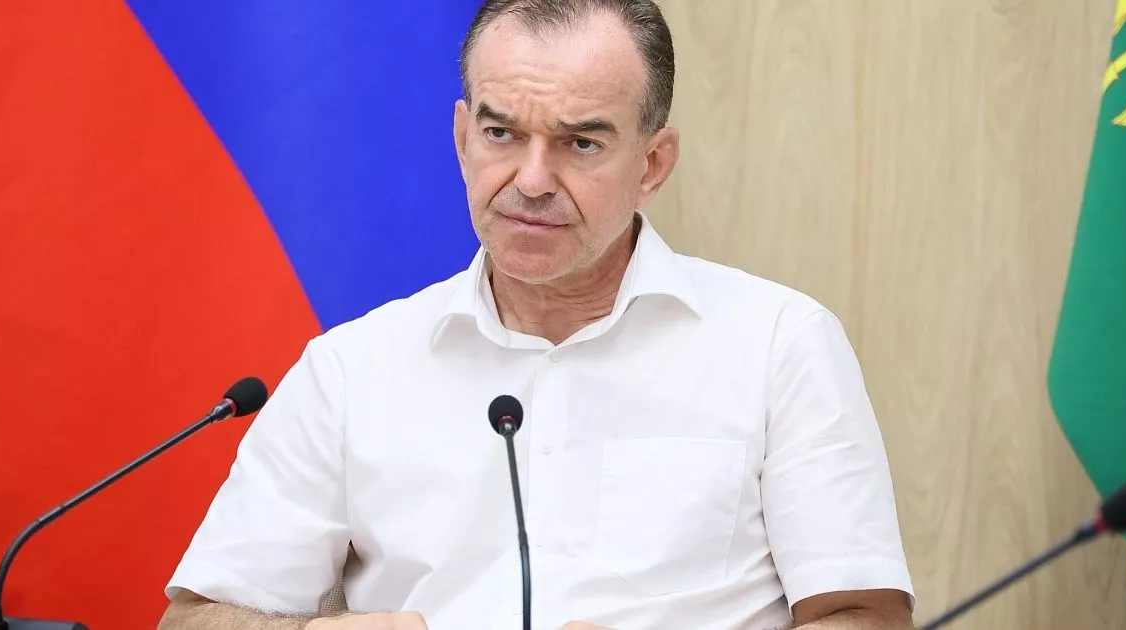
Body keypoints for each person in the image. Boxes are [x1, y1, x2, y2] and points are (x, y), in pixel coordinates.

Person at [157, 1, 916, 628]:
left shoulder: (780, 344)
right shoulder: (351, 370)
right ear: (462, 138)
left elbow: (864, 615)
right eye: (502, 134)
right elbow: (195, 618)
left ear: (652, 165)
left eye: (580, 142)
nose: (531, 180)